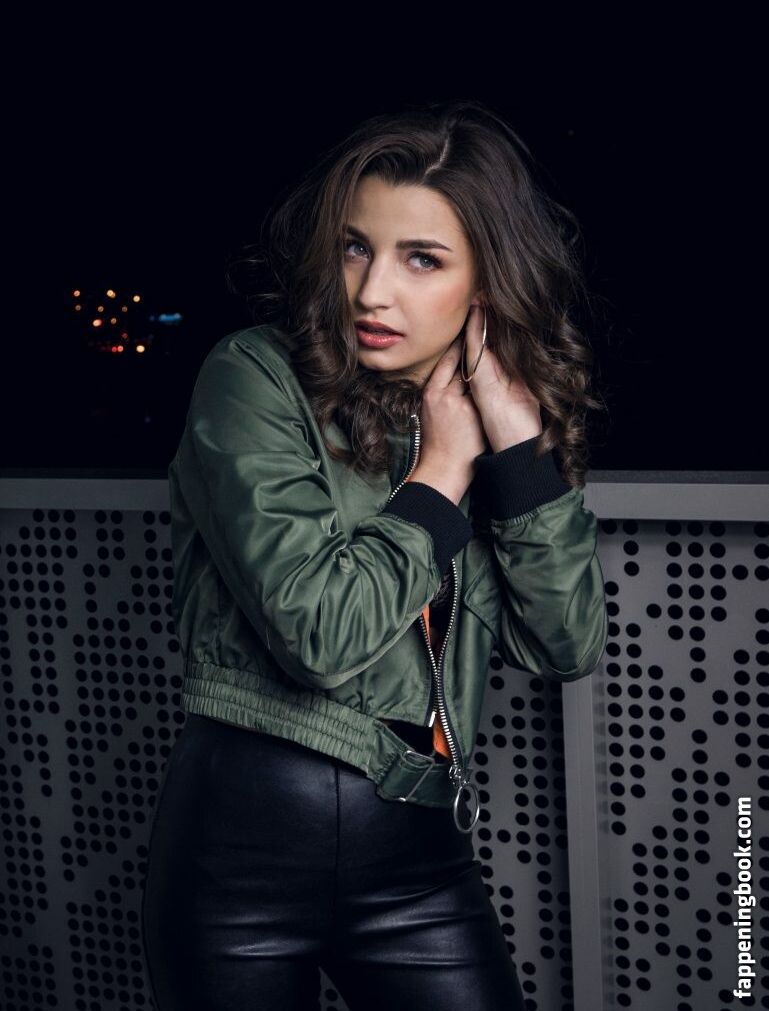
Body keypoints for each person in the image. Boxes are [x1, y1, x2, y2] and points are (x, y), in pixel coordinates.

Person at [141, 98, 609, 1011]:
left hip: (418, 856)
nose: (369, 291)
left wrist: (517, 453)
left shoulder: (483, 425)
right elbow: (319, 634)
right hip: (241, 857)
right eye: (356, 248)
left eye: (420, 258)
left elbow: (565, 646)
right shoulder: (255, 376)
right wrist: (440, 475)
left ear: (486, 285)